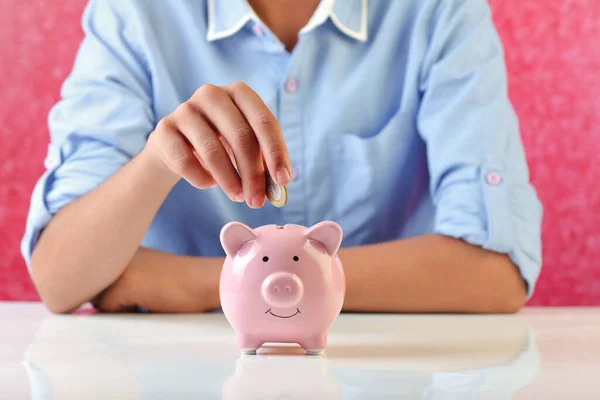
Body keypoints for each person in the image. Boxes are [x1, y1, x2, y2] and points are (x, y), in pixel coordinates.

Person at [22, 0, 543, 314]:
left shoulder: (437, 11)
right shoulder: (137, 14)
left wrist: (216, 282)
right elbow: (60, 276)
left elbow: (496, 272)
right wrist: (158, 161)